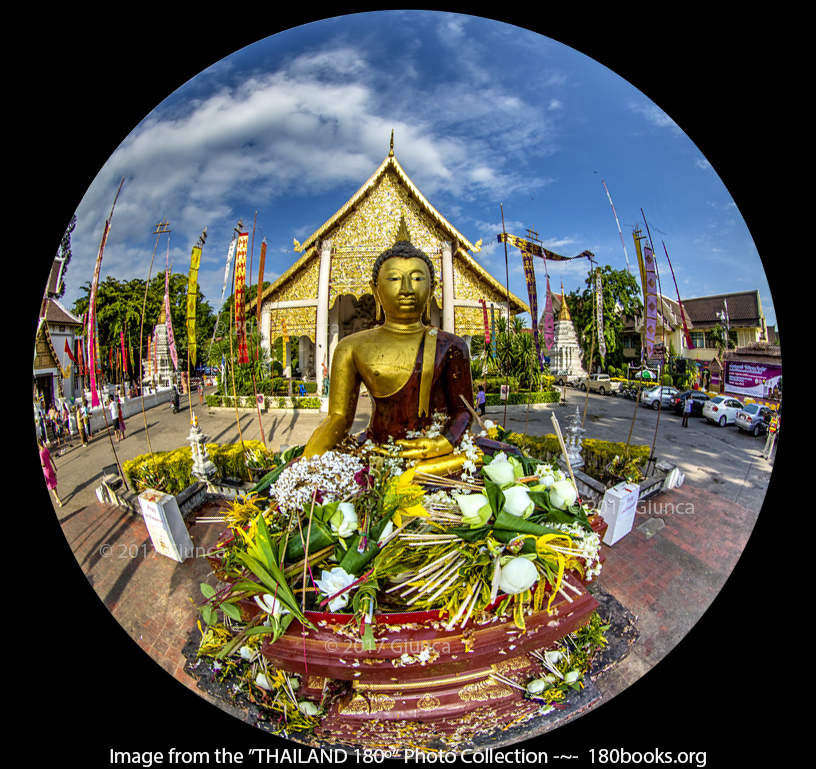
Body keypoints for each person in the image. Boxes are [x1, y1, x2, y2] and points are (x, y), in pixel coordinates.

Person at [302, 218, 474, 476]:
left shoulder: (450, 345)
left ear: (432, 289)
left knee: (484, 459)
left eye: (417, 278)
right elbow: (338, 417)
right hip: (379, 449)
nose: (406, 289)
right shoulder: (351, 347)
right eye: (394, 278)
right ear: (375, 289)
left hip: (433, 456)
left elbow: (463, 412)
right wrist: (308, 460)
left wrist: (443, 442)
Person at [38, 439, 62, 507]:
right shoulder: (45, 449)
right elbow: (50, 458)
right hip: (51, 469)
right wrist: (54, 466)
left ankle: (58, 500)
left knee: (51, 487)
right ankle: (57, 499)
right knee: (54, 485)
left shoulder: (41, 453)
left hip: (46, 471)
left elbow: (43, 464)